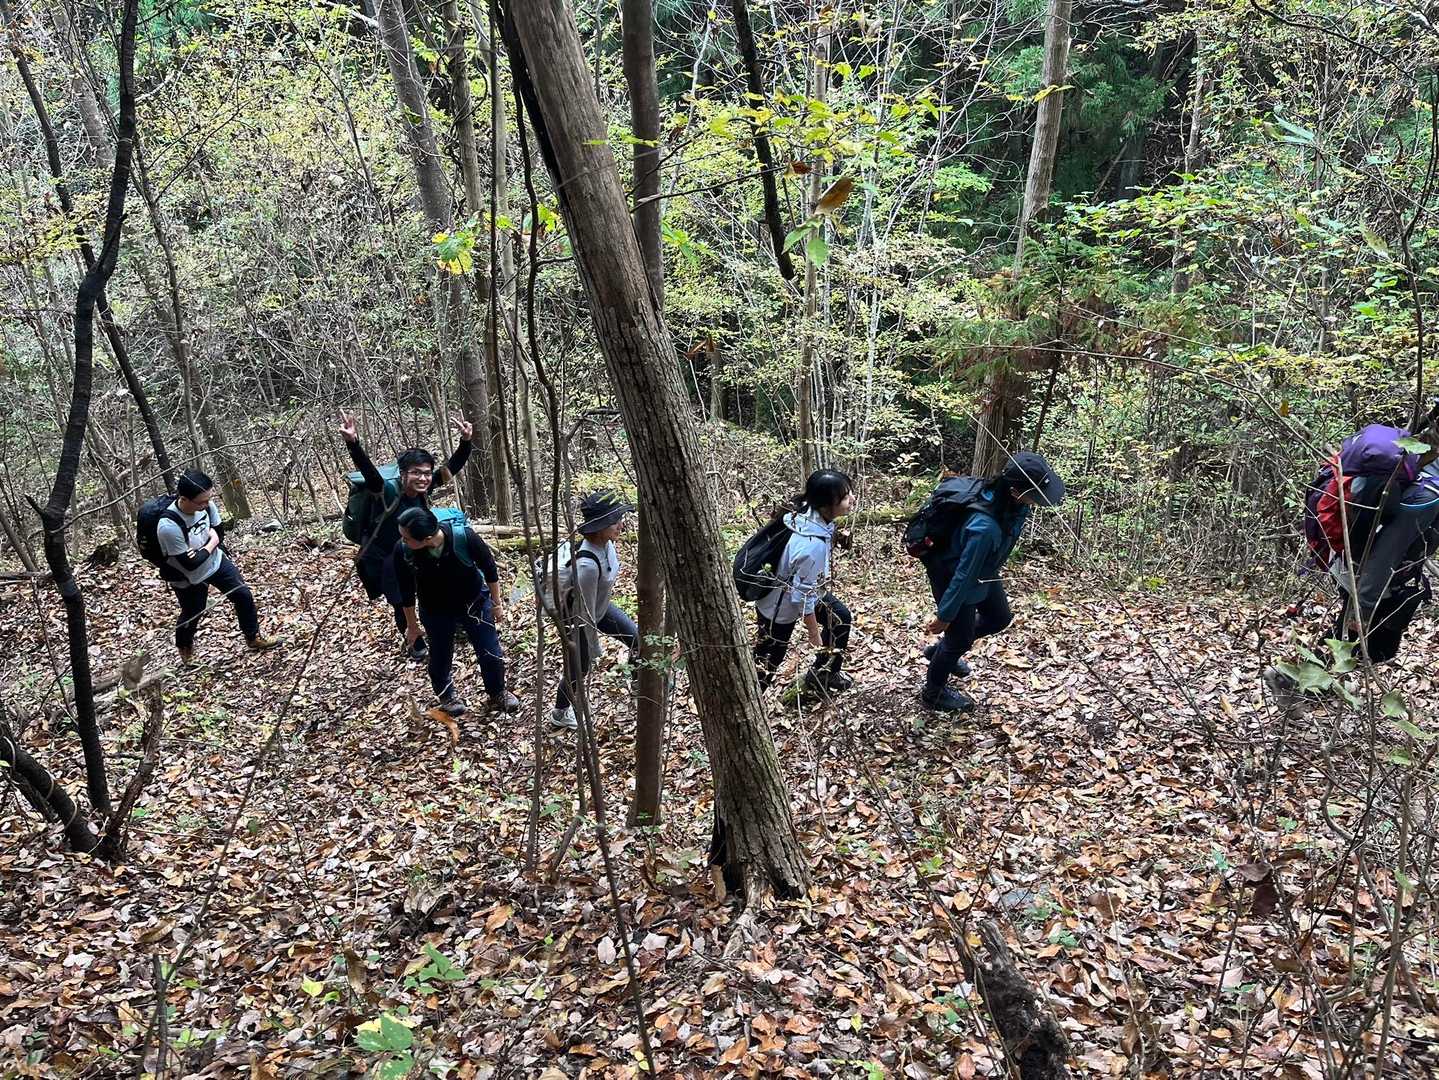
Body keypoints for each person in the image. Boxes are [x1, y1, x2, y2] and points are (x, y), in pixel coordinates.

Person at [1264, 460, 1439, 709]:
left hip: (1365, 568)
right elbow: (1385, 555)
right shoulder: (1428, 497)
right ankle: (1293, 681)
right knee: (1374, 644)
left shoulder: (1427, 476)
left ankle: (1311, 683)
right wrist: (1363, 608)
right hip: (1366, 574)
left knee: (1359, 640)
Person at [921, 451, 1065, 713]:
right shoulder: (984, 528)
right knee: (959, 639)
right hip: (953, 575)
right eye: (1036, 494)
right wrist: (945, 616)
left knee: (999, 617)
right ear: (1015, 492)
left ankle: (941, 651)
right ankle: (934, 692)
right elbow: (963, 575)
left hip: (983, 570)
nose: (1039, 501)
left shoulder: (1014, 505)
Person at [338, 411, 473, 660]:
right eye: (416, 473)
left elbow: (450, 469)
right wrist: (353, 443)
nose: (423, 478)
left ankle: (452, 623)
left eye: (426, 473)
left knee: (437, 585)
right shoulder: (386, 490)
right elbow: (369, 472)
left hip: (413, 550)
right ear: (403, 473)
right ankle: (414, 640)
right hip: (384, 555)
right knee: (400, 600)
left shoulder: (423, 488)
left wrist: (465, 442)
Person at [393, 506, 520, 716]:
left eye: (406, 538)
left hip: (474, 602)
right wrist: (412, 625)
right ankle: (446, 695)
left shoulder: (464, 537)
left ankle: (497, 691)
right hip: (435, 609)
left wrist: (497, 604)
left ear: (426, 538)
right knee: (440, 654)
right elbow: (405, 591)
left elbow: (489, 568)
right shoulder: (403, 551)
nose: (402, 541)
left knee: (490, 651)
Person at [156, 469, 279, 663]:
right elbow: (190, 563)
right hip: (186, 576)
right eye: (201, 502)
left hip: (216, 561)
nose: (206, 505)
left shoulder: (208, 506)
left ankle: (253, 637)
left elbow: (219, 533)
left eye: (208, 499)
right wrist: (211, 542)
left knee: (243, 595)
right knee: (193, 611)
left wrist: (204, 549)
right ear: (184, 499)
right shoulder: (168, 527)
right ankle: (185, 648)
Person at [752, 469, 856, 697]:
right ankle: (749, 701)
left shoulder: (804, 512)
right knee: (769, 659)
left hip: (801, 590)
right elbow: (802, 597)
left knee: (840, 618)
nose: (852, 499)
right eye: (845, 496)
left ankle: (824, 674)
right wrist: (813, 634)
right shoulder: (811, 544)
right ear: (826, 505)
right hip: (778, 608)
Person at [550, 492, 640, 731]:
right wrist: (593, 648)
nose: (621, 525)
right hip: (578, 618)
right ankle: (560, 712)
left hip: (600, 606)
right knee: (579, 668)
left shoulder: (607, 544)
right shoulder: (587, 566)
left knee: (637, 639)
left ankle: (639, 683)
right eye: (615, 521)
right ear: (599, 527)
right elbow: (584, 614)